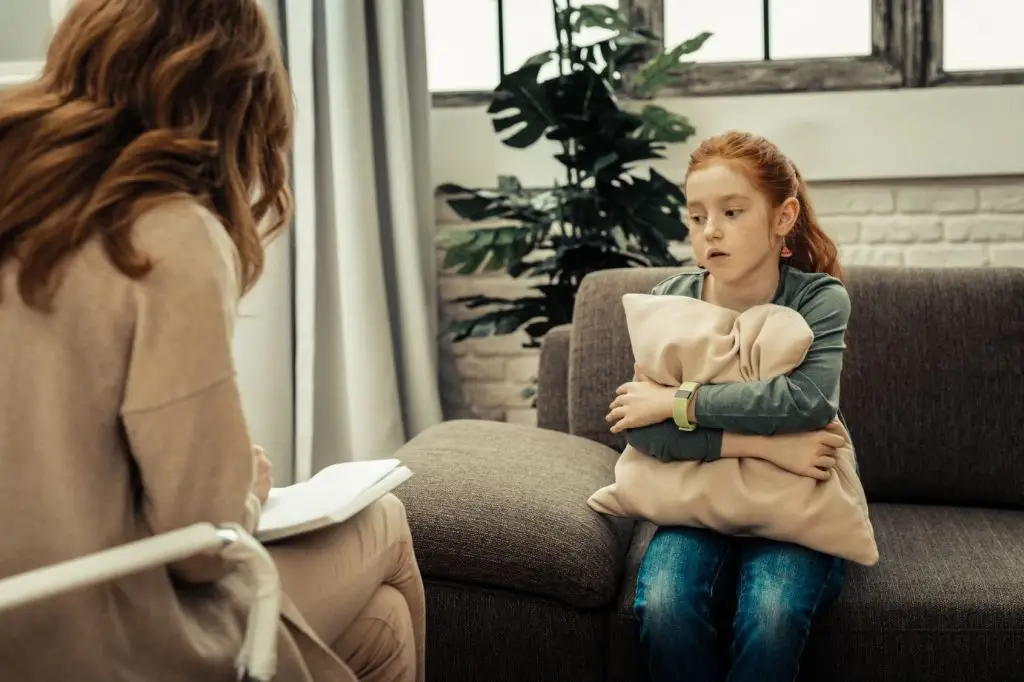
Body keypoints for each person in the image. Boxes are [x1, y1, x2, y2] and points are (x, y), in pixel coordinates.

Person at [0, 1, 424, 681]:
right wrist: (247, 486)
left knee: (380, 627)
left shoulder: (18, 179)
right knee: (388, 523)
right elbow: (200, 543)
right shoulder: (161, 231)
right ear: (236, 96)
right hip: (82, 632)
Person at [604, 131, 852, 682]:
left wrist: (678, 400)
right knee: (663, 604)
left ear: (783, 217)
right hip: (699, 504)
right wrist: (767, 447)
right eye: (696, 217)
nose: (710, 231)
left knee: (773, 612)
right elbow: (642, 430)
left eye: (732, 212)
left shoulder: (817, 298)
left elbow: (806, 403)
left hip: (796, 503)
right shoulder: (669, 300)